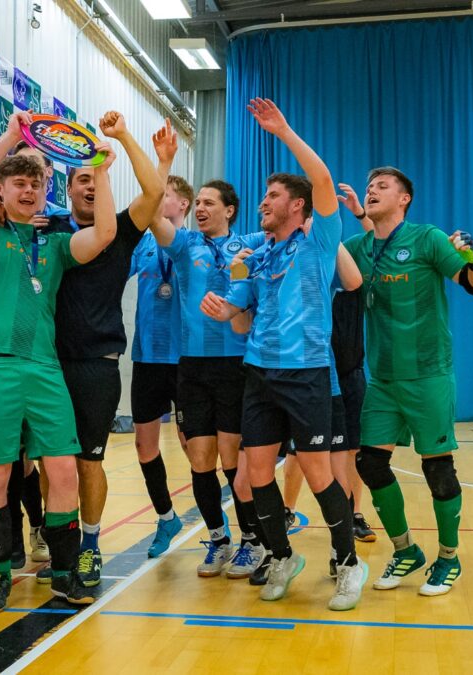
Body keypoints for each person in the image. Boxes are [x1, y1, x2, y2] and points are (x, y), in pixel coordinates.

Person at [200, 98, 365, 611]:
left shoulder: (319, 243)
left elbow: (320, 176)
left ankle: (349, 563)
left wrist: (283, 130)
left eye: (272, 196)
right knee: (254, 474)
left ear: (298, 206)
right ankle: (281, 554)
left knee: (318, 474)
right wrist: (222, 305)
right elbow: (240, 317)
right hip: (259, 374)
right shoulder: (258, 255)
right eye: (263, 196)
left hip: (306, 374)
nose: (262, 203)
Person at [0, 110, 117, 612]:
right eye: (19, 183)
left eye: (37, 183)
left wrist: (103, 171)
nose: (29, 191)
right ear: (0, 190)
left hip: (45, 368)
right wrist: (10, 136)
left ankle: (64, 572)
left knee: (63, 470)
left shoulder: (57, 244)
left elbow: (105, 233)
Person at [0, 112, 164, 586]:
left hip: (96, 365)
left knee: (88, 461)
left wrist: (121, 140)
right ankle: (51, 535)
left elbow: (153, 194)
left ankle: (88, 544)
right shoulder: (46, 223)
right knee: (49, 461)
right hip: (42, 362)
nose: (90, 186)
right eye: (83, 179)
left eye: (97, 179)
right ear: (66, 187)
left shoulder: (123, 229)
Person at [343, 167, 473, 596]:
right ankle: (406, 550)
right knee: (369, 463)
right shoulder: (357, 248)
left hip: (428, 374)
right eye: (370, 186)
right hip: (383, 379)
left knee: (437, 469)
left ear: (404, 198)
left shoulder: (427, 238)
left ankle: (449, 557)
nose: (372, 190)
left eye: (382, 187)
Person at [149, 175, 268, 576]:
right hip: (192, 367)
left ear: (229, 211)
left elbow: (292, 231)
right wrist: (159, 163)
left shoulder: (249, 242)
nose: (200, 209)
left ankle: (252, 540)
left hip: (235, 365)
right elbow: (150, 213)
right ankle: (218, 539)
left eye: (209, 203)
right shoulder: (184, 244)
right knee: (200, 460)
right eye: (196, 202)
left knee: (233, 460)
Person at [126, 126, 195, 560]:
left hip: (187, 359)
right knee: (143, 445)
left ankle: (226, 520)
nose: (154, 195)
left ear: (181, 203)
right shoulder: (143, 247)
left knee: (196, 446)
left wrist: (161, 160)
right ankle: (166, 516)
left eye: (162, 191)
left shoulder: (193, 243)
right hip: (148, 358)